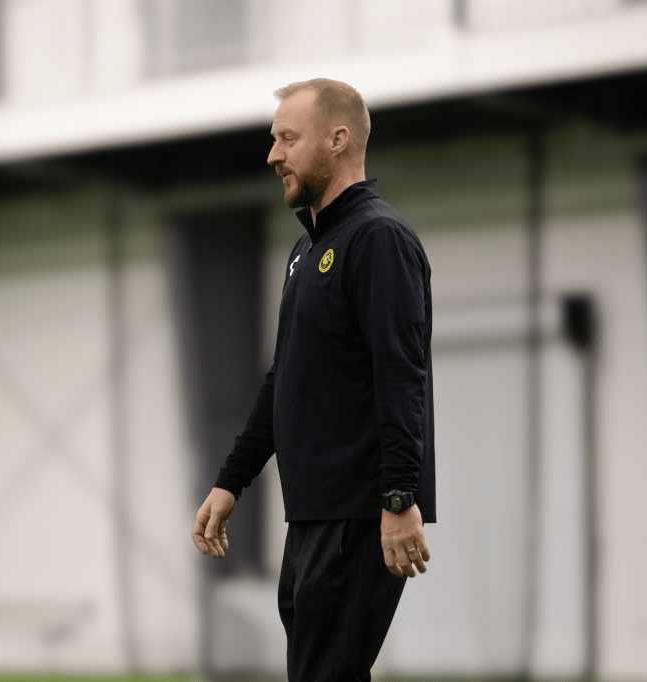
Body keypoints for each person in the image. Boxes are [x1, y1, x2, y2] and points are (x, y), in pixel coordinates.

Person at [191, 78, 436, 682]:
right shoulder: (307, 252)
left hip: (358, 514)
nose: (273, 154)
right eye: (274, 139)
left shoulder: (378, 238)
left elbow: (402, 376)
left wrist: (400, 498)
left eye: (286, 138)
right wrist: (231, 482)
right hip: (309, 515)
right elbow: (285, 377)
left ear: (338, 138)